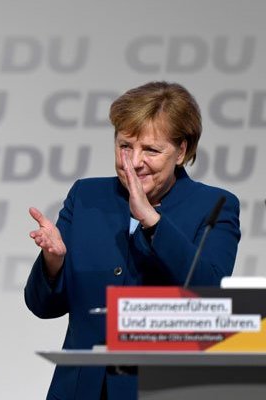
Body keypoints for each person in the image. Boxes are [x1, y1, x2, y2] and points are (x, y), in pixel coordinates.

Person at [24, 81, 241, 400]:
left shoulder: (214, 205)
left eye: (151, 150)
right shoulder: (86, 196)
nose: (134, 161)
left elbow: (208, 293)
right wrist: (53, 262)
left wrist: (152, 221)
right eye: (125, 145)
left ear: (181, 151)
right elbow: (42, 306)